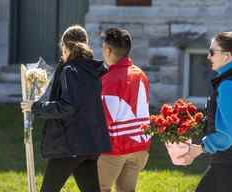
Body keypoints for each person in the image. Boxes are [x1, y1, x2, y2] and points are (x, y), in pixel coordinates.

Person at [20, 25, 111, 192]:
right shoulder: (90, 69)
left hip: (70, 145)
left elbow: (68, 106)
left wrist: (36, 107)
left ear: (65, 46)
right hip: (89, 144)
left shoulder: (71, 70)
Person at [179, 32, 232, 192]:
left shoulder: (229, 85)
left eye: (212, 52)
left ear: (227, 56)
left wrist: (201, 148)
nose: (208, 57)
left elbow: (228, 133)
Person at [98, 27, 151, 192]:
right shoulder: (141, 74)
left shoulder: (109, 79)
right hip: (140, 146)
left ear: (108, 49)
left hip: (116, 148)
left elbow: (104, 117)